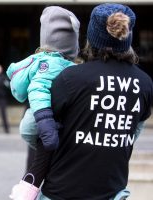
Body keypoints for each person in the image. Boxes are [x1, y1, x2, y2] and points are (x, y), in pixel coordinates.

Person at [32, 3, 152, 200]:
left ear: (91, 39)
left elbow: (43, 134)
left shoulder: (70, 78)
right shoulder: (145, 84)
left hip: (62, 192)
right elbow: (133, 134)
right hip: (111, 192)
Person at [8, 6, 80, 200]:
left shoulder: (50, 64)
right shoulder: (49, 65)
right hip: (41, 123)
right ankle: (26, 192)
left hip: (41, 123)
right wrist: (46, 122)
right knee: (43, 158)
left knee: (39, 163)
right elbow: (37, 89)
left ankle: (28, 191)